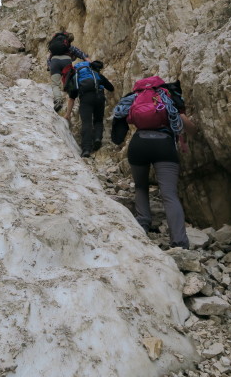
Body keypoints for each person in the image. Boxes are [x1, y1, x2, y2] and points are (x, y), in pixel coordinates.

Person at [111, 77, 198, 249]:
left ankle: (143, 223)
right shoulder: (167, 98)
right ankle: (179, 242)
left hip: (138, 144)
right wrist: (187, 136)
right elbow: (189, 128)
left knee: (141, 187)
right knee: (169, 195)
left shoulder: (134, 98)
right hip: (164, 145)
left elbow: (119, 126)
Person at [64, 60, 115, 158]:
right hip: (99, 96)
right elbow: (111, 88)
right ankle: (97, 138)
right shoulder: (96, 75)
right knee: (98, 120)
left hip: (86, 99)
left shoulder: (76, 78)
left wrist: (68, 114)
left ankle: (86, 149)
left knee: (87, 123)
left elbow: (71, 99)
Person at [46, 31, 90, 112]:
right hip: (66, 62)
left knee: (55, 84)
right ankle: (71, 97)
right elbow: (82, 55)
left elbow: (49, 61)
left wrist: (49, 66)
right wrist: (90, 63)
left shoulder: (53, 50)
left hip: (54, 62)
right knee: (69, 82)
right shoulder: (70, 47)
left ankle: (58, 100)